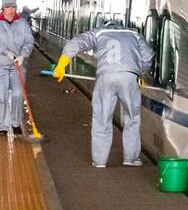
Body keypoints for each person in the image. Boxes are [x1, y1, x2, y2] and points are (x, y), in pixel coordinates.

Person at [52, 20, 154, 168]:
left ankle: (100, 161)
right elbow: (148, 55)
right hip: (129, 77)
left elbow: (73, 44)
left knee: (101, 118)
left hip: (105, 77)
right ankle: (130, 159)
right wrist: (139, 74)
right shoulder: (134, 34)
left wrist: (62, 65)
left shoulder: (99, 32)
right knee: (132, 118)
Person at [0, 0, 34, 136]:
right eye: (8, 7)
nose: (11, 10)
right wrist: (6, 52)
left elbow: (29, 41)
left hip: (17, 66)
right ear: (2, 8)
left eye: (13, 7)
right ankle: (3, 126)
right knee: (1, 96)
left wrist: (23, 55)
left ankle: (15, 122)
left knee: (18, 94)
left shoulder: (23, 23)